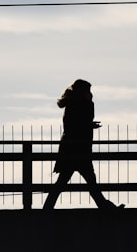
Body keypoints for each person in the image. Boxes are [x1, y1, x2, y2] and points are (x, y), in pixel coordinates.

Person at [42, 79, 123, 210]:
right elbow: (77, 125)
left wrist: (88, 125)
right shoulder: (83, 104)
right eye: (89, 90)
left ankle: (46, 209)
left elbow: (72, 124)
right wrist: (89, 125)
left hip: (70, 148)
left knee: (65, 182)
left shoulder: (72, 104)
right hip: (80, 149)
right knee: (90, 182)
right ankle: (106, 207)